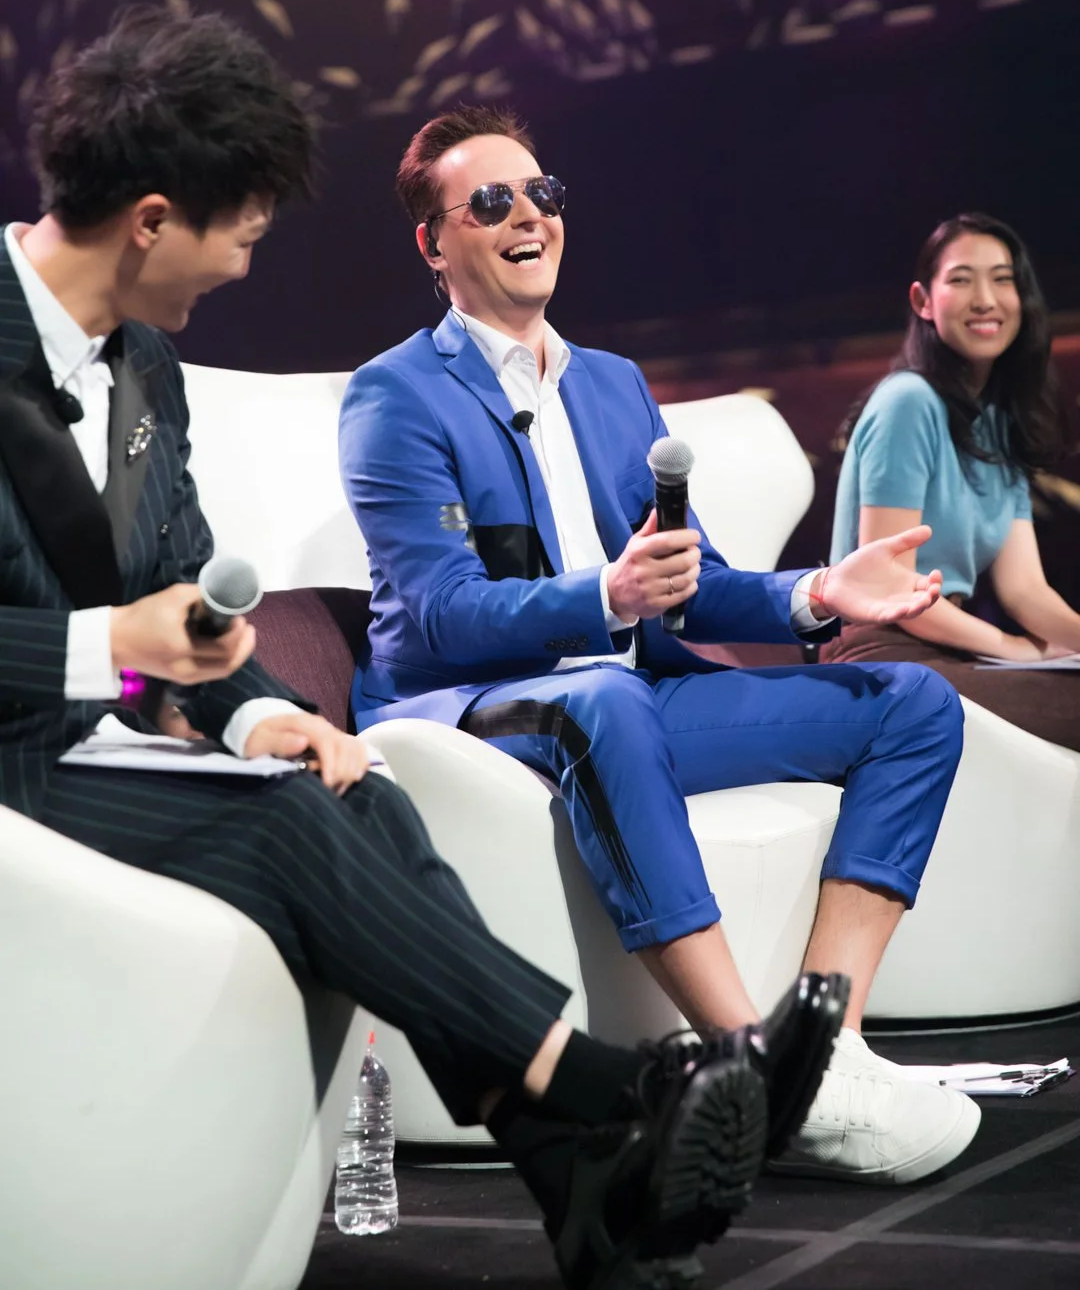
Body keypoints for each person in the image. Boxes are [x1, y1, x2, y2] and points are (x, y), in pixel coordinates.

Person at [0, 8, 850, 1290]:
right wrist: (99, 652)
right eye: (242, 234)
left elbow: (183, 609)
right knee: (288, 826)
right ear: (155, 218)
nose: (241, 269)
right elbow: (119, 638)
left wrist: (253, 715)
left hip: (107, 740)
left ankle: (583, 1195)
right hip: (19, 762)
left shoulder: (149, 371)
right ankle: (613, 1089)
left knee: (363, 794)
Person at [338, 105, 982, 1186]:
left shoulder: (610, 383)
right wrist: (607, 595)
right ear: (433, 242)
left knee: (914, 707)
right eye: (490, 201)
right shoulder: (393, 395)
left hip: (629, 701)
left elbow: (694, 585)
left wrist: (818, 593)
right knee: (604, 696)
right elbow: (443, 614)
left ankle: (829, 1048)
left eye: (542, 193)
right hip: (478, 710)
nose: (527, 215)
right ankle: (745, 1061)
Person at [827, 212, 1080, 750]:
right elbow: (889, 585)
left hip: (954, 650)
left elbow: (1025, 589)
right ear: (923, 301)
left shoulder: (997, 423)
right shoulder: (908, 401)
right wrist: (1011, 648)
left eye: (1003, 278)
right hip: (883, 656)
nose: (985, 298)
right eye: (962, 280)